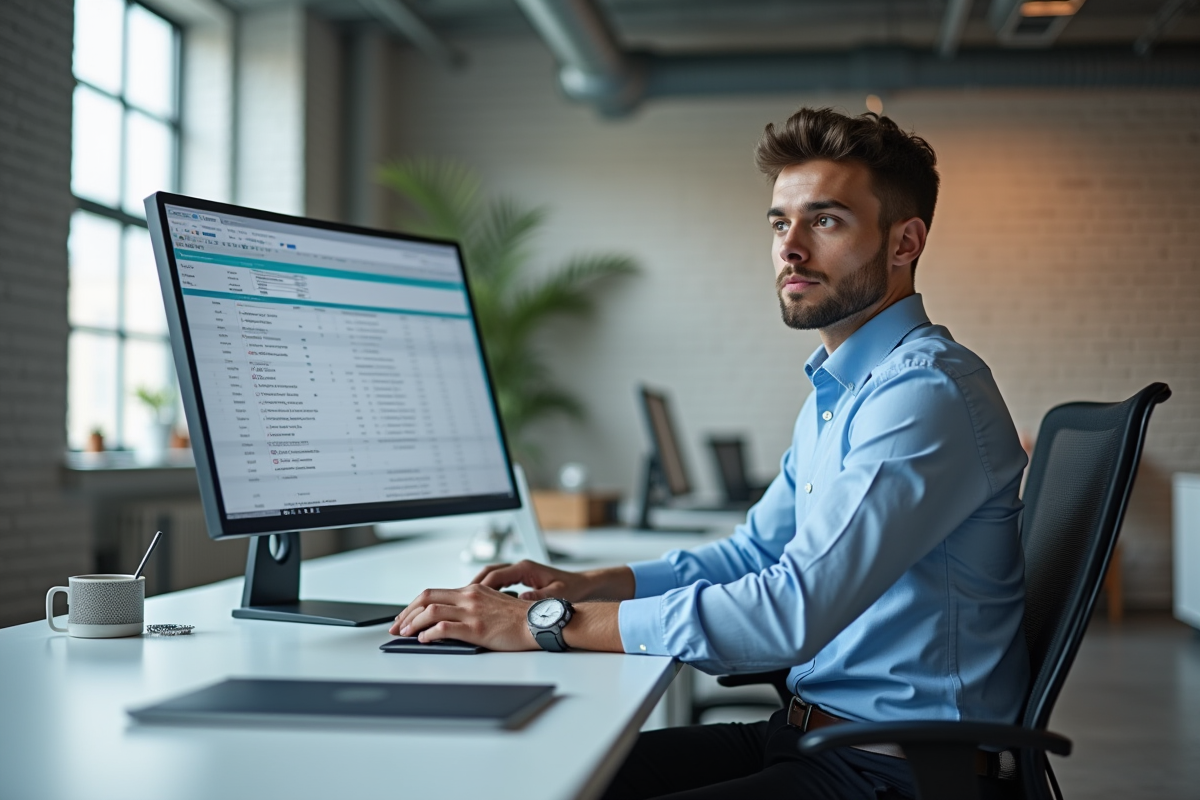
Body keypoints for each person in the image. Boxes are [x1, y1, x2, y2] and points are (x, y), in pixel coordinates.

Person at [390, 107, 1029, 800]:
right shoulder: (844, 390)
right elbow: (752, 556)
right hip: (812, 736)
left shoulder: (922, 394)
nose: (790, 248)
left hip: (896, 773)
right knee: (539, 776)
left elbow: (790, 612)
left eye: (826, 220)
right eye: (780, 223)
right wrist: (586, 585)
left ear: (905, 243)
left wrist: (544, 625)